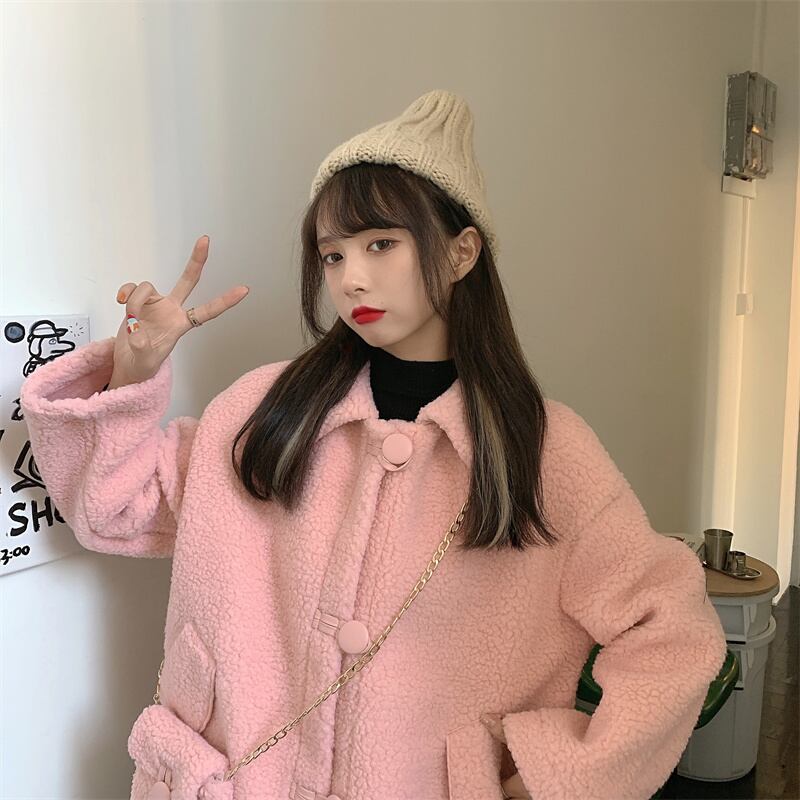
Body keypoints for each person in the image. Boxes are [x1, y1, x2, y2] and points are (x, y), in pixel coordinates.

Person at [19, 89, 728, 800]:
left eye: (381, 244)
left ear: (461, 252)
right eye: (332, 255)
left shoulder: (543, 452)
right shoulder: (265, 412)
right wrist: (133, 372)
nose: (350, 277)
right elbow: (114, 512)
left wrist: (547, 775)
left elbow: (672, 633)